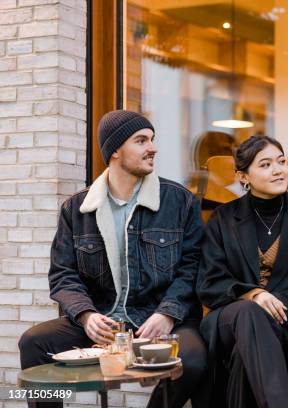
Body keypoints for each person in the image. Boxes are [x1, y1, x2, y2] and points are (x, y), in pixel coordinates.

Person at [18, 110, 207, 408]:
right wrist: (86, 315)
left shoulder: (179, 200)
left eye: (152, 140)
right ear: (115, 150)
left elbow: (193, 266)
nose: (152, 148)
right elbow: (63, 275)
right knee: (35, 342)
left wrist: (167, 313)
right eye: (141, 140)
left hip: (159, 318)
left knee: (193, 359)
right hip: (105, 319)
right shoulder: (77, 209)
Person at [197, 135, 288, 408]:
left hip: (285, 323)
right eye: (265, 164)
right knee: (250, 311)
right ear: (243, 177)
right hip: (227, 320)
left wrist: (275, 304)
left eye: (282, 162)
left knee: (244, 355)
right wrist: (252, 294)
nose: (278, 170)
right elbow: (208, 283)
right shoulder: (223, 219)